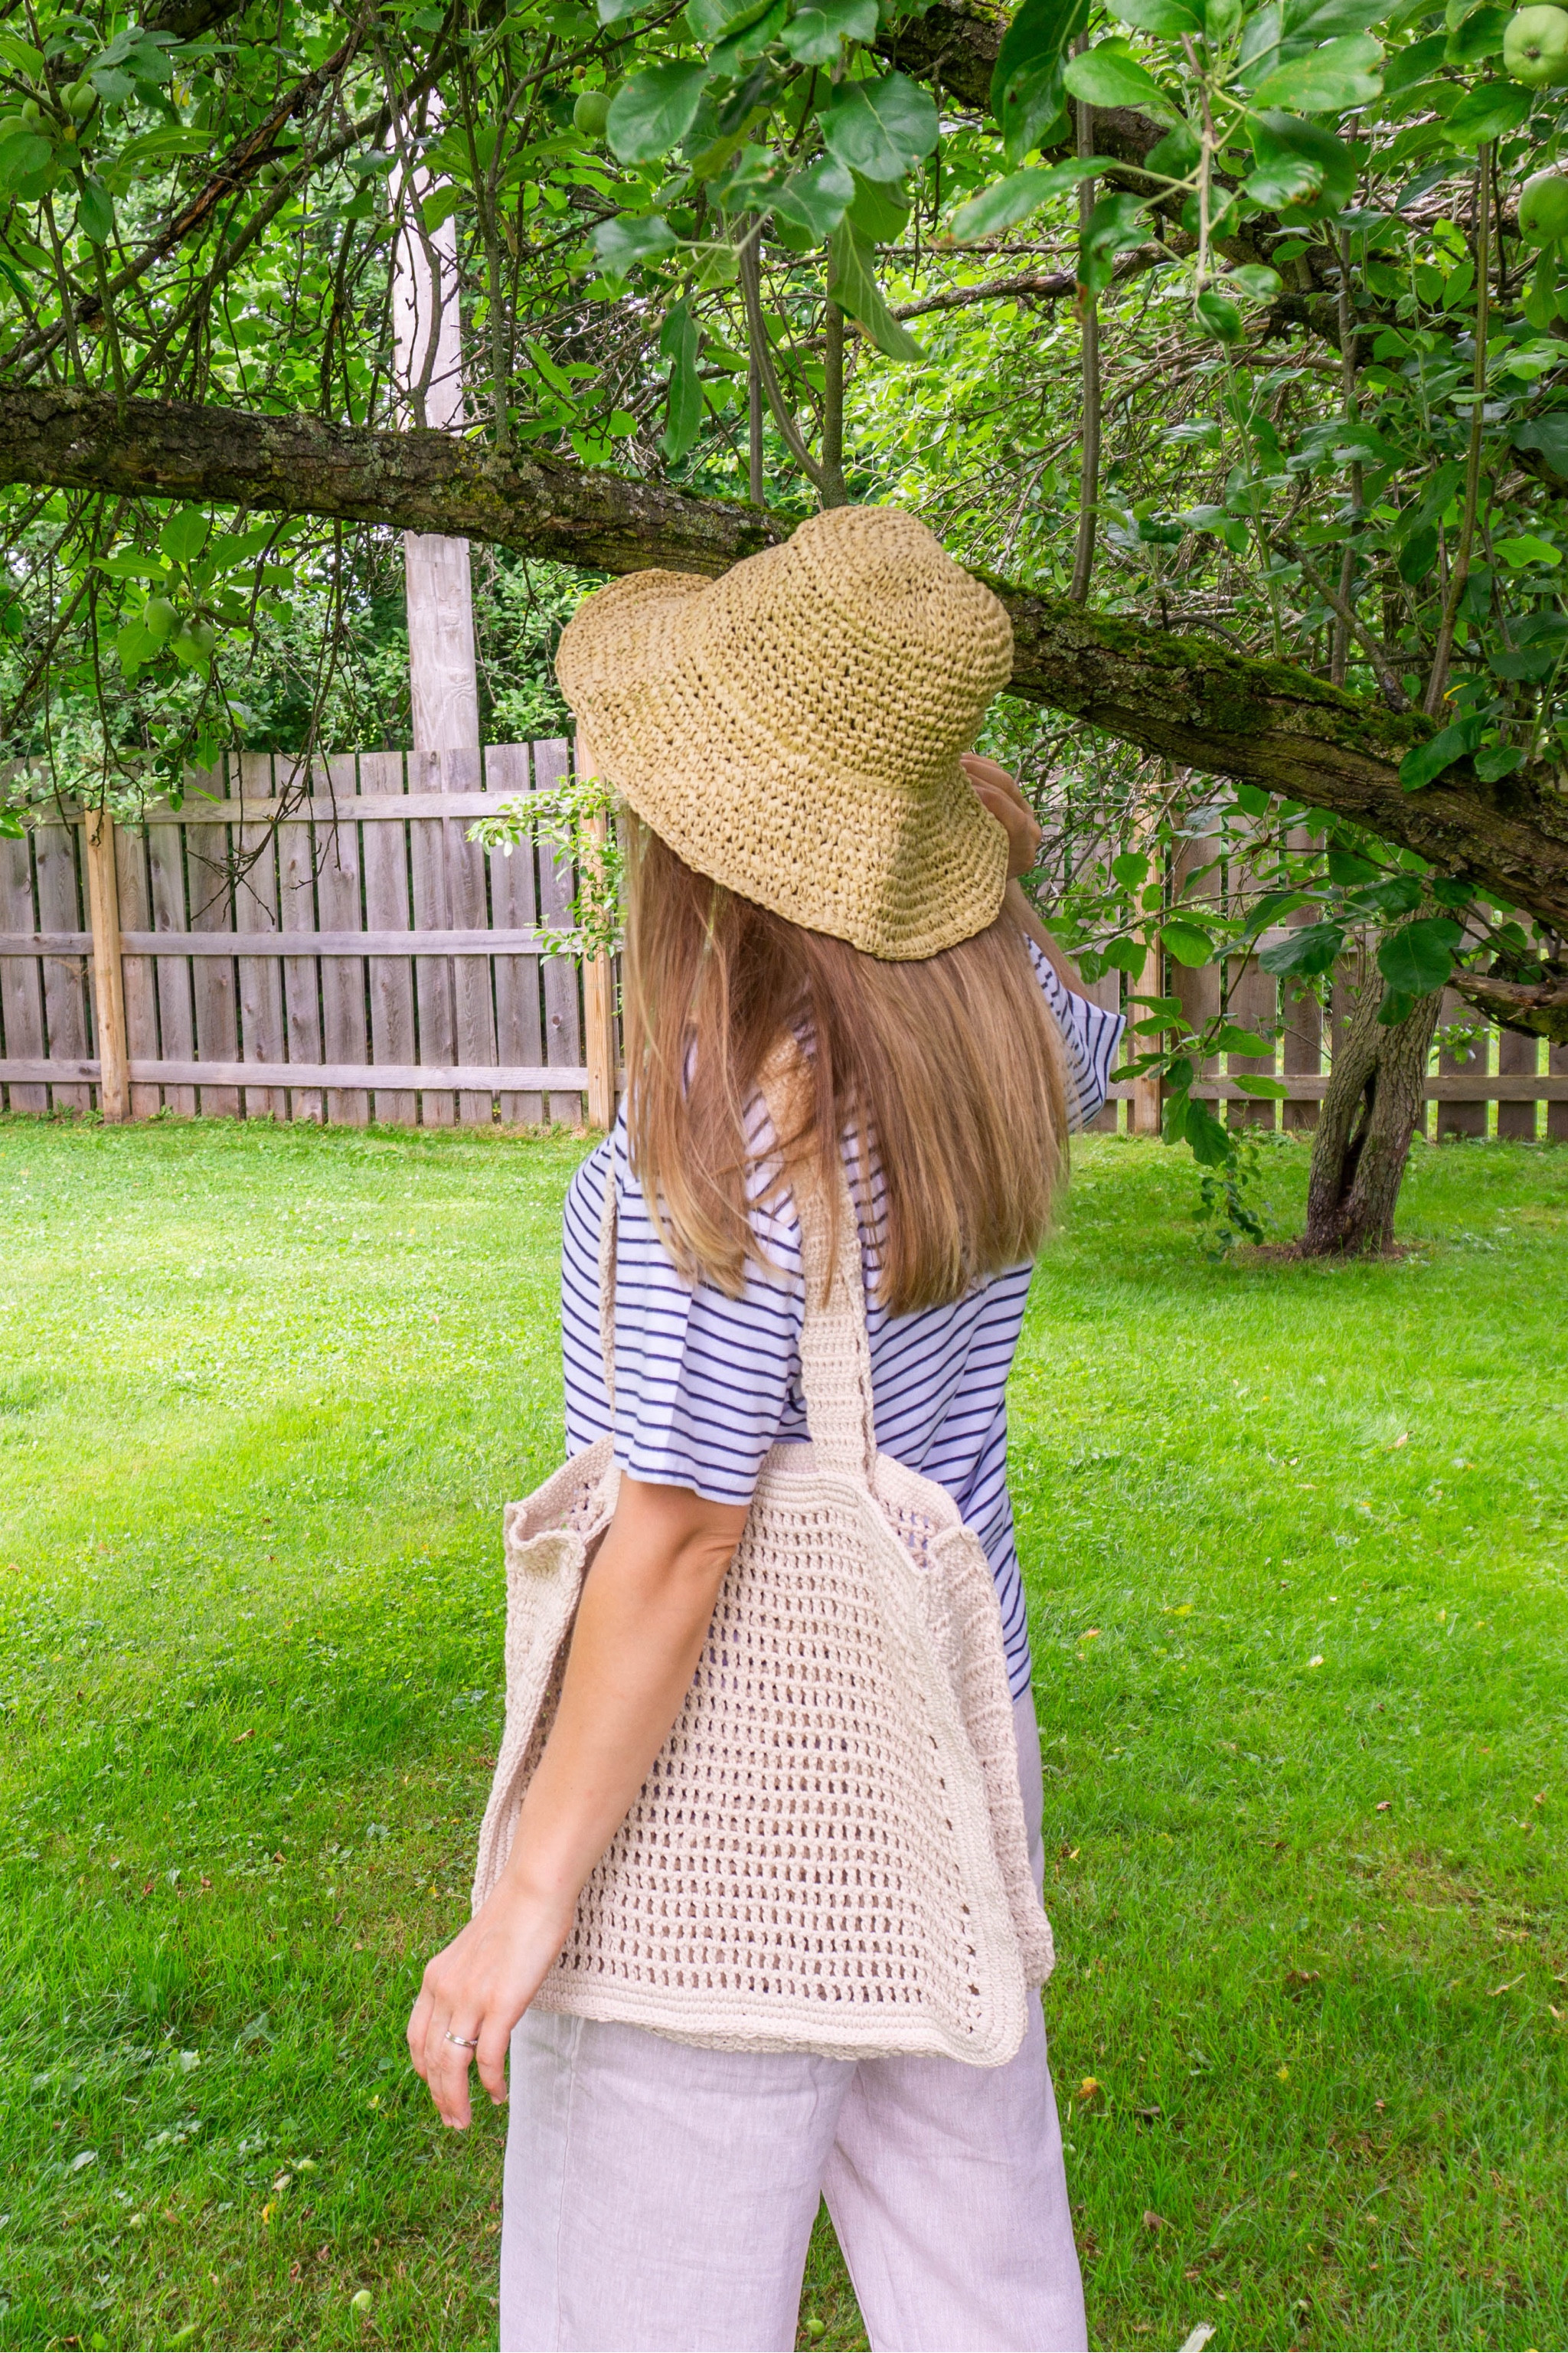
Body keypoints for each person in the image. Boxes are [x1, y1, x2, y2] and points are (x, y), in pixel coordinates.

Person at [407, 505, 1125, 2353]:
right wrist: (951, 833)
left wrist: (526, 1898)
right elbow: (1024, 963)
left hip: (725, 1801)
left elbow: (679, 1532)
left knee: (632, 2310)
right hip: (952, 1734)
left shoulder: (730, 1130)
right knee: (983, 2288)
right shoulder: (1031, 1029)